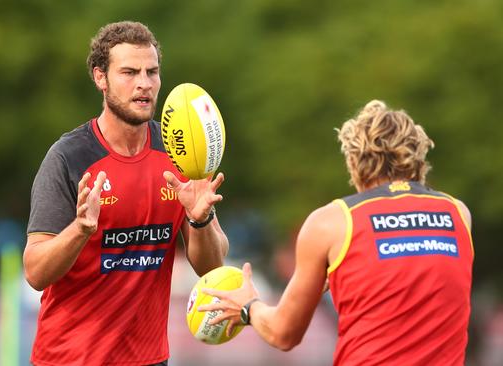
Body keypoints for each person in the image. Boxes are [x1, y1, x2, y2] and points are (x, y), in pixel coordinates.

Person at [200, 100, 473, 365]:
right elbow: (414, 280)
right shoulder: (458, 214)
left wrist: (249, 306)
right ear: (418, 155)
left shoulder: (332, 223)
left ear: (354, 159)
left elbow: (283, 333)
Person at [23, 21, 229, 366]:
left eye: (152, 72)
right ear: (100, 77)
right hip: (69, 359)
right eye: (130, 72)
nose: (144, 84)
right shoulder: (70, 158)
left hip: (149, 359)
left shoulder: (179, 152)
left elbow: (212, 266)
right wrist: (80, 230)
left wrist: (200, 219)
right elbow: (35, 273)